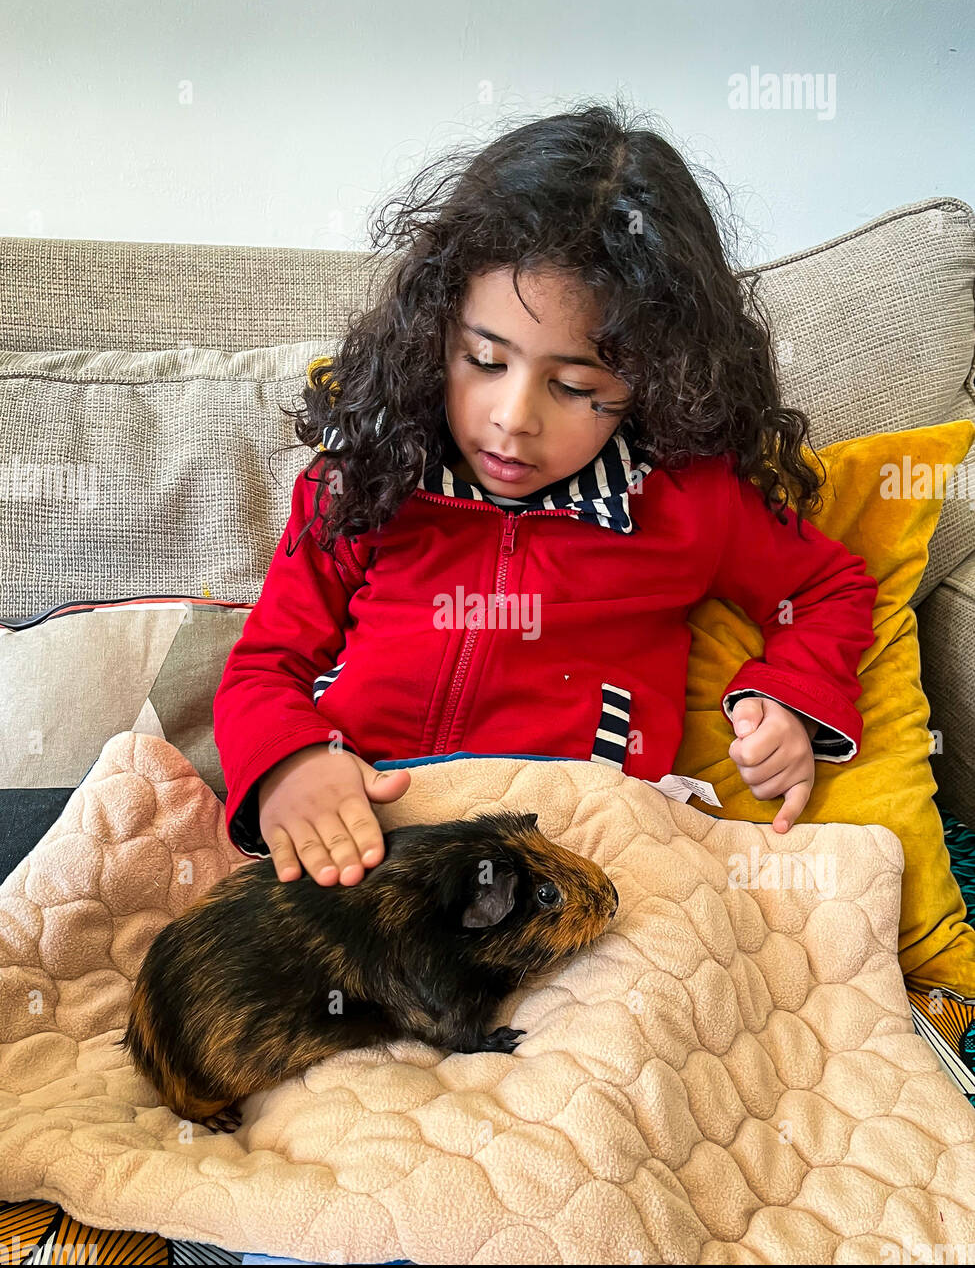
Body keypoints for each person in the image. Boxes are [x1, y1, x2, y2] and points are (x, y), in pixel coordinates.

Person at [213, 100, 877, 896]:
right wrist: (290, 764)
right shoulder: (362, 481)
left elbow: (825, 586)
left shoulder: (689, 501)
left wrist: (787, 700)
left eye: (572, 386)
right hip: (368, 845)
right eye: (484, 361)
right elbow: (265, 666)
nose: (513, 418)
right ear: (435, 333)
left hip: (580, 859)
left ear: (651, 380)